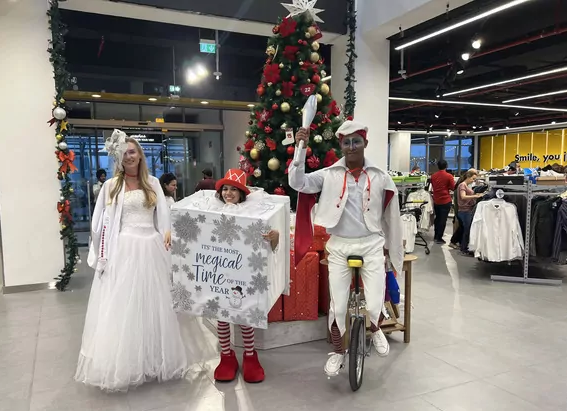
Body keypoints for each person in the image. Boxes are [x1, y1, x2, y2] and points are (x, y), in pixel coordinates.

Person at [76, 129, 208, 392]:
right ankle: (129, 362)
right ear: (118, 158)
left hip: (152, 245)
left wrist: (168, 234)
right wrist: (102, 252)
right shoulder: (111, 186)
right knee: (126, 305)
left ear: (140, 154)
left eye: (132, 151)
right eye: (124, 153)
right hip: (124, 248)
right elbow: (99, 220)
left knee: (157, 304)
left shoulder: (154, 183)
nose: (129, 156)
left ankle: (155, 358)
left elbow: (164, 216)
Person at [289, 120, 403, 378]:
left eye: (356, 141)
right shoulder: (328, 174)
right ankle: (338, 352)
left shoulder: (380, 176)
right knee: (338, 306)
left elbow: (392, 216)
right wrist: (300, 148)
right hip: (339, 246)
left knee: (375, 301)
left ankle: (376, 329)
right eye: (346, 142)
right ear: (341, 145)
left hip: (371, 244)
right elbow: (298, 183)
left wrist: (392, 246)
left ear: (365, 143)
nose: (351, 147)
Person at [211, 168, 280, 384]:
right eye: (225, 189)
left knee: (244, 314)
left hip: (242, 272)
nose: (228, 193)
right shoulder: (211, 213)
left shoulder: (252, 214)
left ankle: (250, 356)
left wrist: (274, 236)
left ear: (241, 193)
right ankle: (226, 356)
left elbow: (267, 244)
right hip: (220, 270)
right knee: (222, 316)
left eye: (233, 189)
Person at [456, 168, 484, 255]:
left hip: (466, 210)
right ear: (468, 177)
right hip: (464, 210)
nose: (473, 181)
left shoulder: (466, 186)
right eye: (473, 179)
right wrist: (475, 196)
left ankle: (464, 247)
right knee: (467, 230)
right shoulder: (462, 185)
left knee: (466, 229)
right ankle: (464, 248)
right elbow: (463, 196)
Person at [430, 159, 456, 244]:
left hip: (436, 200)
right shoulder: (449, 176)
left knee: (437, 218)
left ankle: (436, 235)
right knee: (443, 220)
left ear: (438, 166)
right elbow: (453, 187)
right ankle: (439, 237)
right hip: (445, 200)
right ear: (446, 166)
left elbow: (433, 186)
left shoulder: (433, 176)